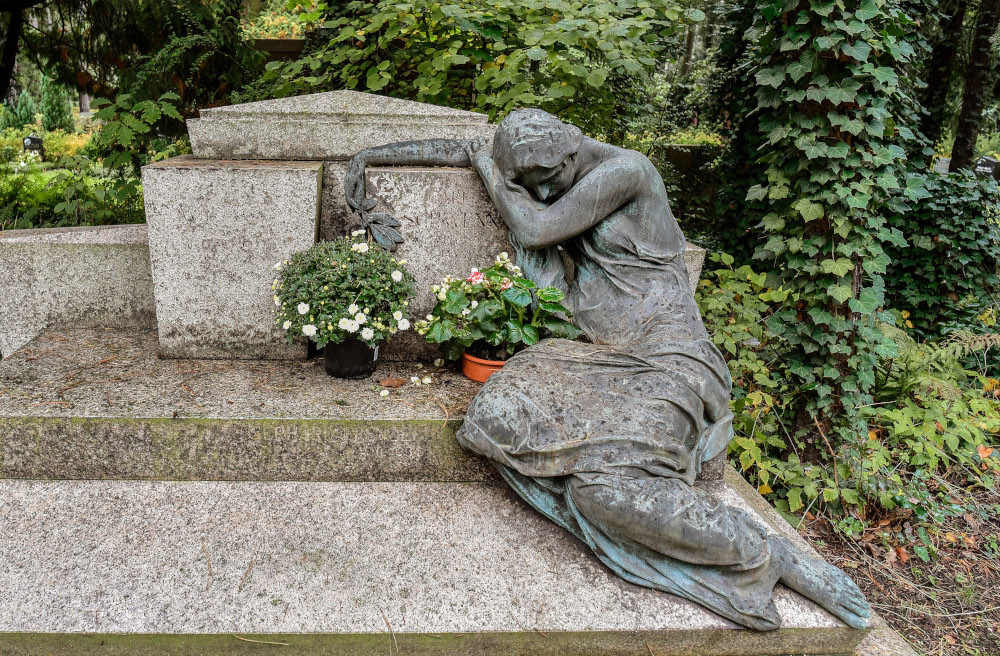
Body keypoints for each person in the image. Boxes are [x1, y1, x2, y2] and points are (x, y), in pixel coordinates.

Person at [343, 109, 871, 631]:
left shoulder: (628, 172)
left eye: (547, 180)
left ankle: (767, 553)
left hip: (667, 359)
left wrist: (492, 172)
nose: (544, 193)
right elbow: (463, 149)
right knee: (496, 414)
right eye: (530, 184)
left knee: (605, 493)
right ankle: (605, 486)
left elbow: (535, 225)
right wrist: (364, 158)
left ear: (571, 150)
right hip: (588, 357)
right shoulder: (558, 166)